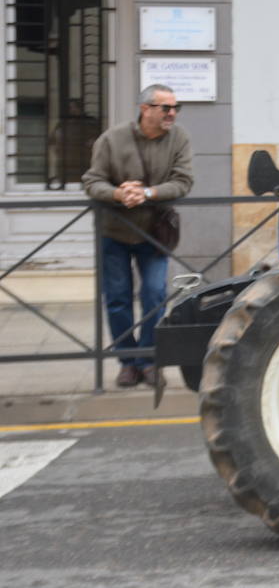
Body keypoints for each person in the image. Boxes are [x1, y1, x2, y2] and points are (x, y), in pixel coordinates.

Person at [82, 84, 194, 387]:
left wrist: (146, 193)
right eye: (166, 108)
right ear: (145, 109)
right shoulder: (112, 139)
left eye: (175, 108)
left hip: (155, 232)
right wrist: (119, 194)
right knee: (117, 299)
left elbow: (183, 182)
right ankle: (127, 362)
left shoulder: (179, 138)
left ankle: (148, 360)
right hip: (114, 231)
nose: (172, 114)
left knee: (155, 295)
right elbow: (93, 182)